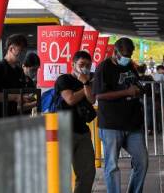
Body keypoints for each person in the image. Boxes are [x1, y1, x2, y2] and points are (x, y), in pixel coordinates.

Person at [93, 37, 148, 193]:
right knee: (112, 165)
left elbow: (136, 84)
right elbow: (99, 95)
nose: (127, 58)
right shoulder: (103, 67)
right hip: (111, 124)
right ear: (115, 52)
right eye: (124, 54)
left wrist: (139, 90)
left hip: (132, 123)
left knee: (142, 161)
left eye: (129, 55)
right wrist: (126, 92)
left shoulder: (130, 65)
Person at [55, 50, 96, 193]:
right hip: (64, 131)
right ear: (73, 65)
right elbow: (70, 99)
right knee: (61, 173)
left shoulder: (89, 81)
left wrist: (86, 83)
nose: (85, 67)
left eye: (88, 65)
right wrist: (85, 85)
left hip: (82, 131)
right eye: (82, 64)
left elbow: (92, 99)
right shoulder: (64, 79)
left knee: (87, 173)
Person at [0, 34, 35, 118]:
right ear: (11, 49)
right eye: (20, 51)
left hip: (14, 118)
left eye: (24, 51)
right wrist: (14, 97)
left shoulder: (19, 70)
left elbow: (18, 95)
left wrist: (25, 98)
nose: (22, 55)